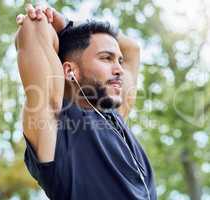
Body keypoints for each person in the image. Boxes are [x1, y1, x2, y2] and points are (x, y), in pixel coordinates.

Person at [15, 3, 157, 200]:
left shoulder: (116, 116)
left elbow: (132, 49)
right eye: (106, 58)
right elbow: (35, 29)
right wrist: (41, 17)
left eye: (119, 61)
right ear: (70, 70)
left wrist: (68, 26)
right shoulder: (57, 124)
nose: (119, 69)